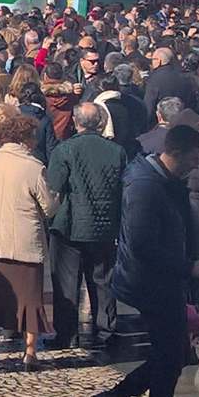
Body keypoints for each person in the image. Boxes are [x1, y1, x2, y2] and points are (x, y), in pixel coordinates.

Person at [94, 125, 199, 397]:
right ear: (175, 154)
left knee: (172, 356)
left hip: (163, 280)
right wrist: (187, 267)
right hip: (152, 283)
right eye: (192, 160)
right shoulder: (146, 186)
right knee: (171, 357)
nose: (195, 167)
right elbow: (144, 243)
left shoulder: (165, 182)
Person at [0, 109, 57, 371]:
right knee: (30, 298)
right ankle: (30, 352)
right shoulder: (34, 167)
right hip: (24, 242)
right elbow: (49, 207)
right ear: (25, 138)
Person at [44, 101, 125, 353]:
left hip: (69, 223)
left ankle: (67, 333)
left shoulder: (64, 150)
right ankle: (106, 330)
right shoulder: (117, 151)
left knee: (67, 281)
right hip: (104, 223)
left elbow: (54, 186)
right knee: (102, 279)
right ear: (100, 123)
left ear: (76, 122)